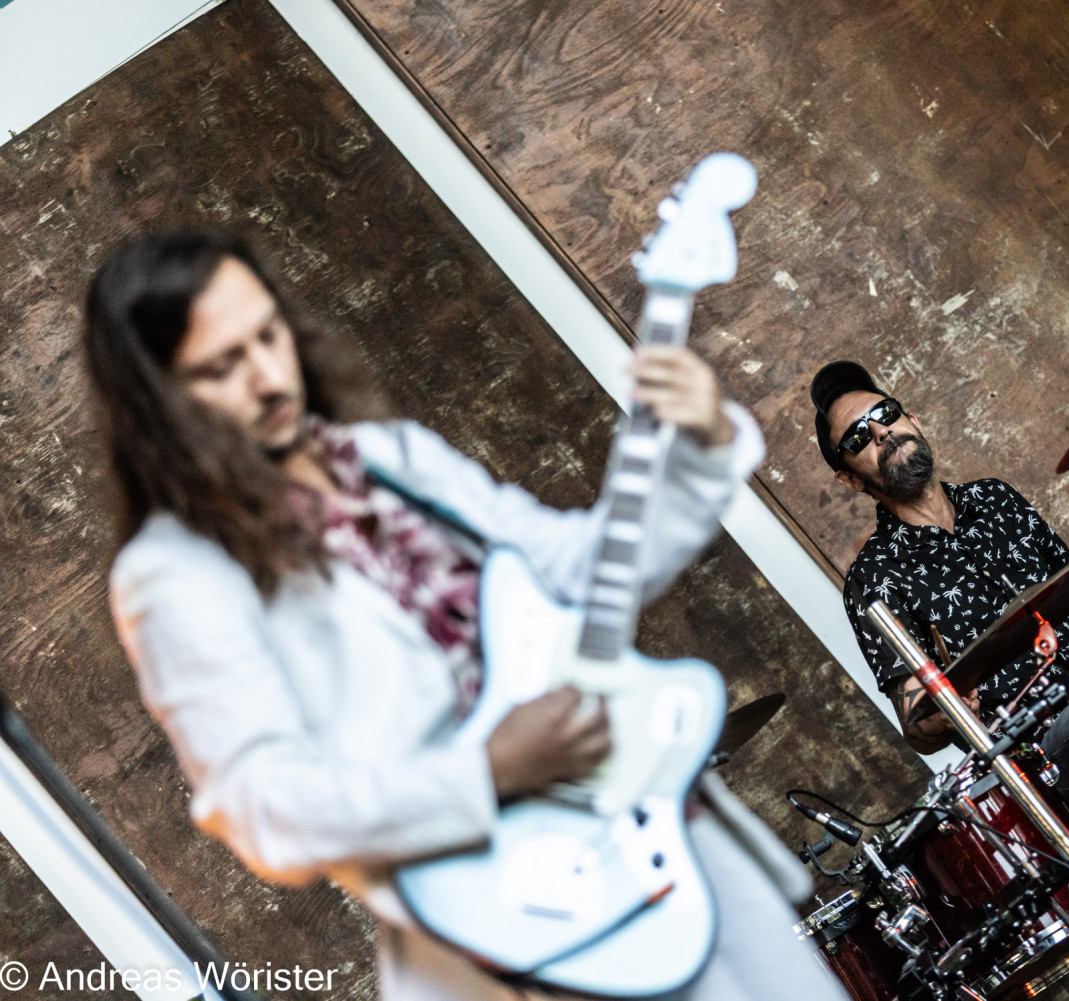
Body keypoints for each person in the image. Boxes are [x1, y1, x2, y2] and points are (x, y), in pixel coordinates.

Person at [86, 229, 848, 1001]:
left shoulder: (388, 458)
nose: (269, 376)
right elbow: (266, 810)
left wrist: (703, 443)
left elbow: (584, 574)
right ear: (160, 401)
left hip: (655, 831)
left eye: (268, 334)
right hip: (517, 931)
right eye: (222, 365)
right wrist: (490, 769)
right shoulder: (172, 573)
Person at [811, 360, 1069, 836]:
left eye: (885, 413)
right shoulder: (875, 579)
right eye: (856, 438)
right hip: (1040, 756)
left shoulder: (996, 497)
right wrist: (951, 715)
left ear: (913, 421)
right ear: (850, 479)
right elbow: (916, 725)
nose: (880, 433)